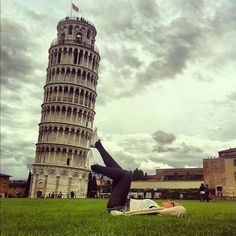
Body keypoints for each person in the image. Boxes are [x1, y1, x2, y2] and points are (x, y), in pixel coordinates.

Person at [90, 128, 186, 217]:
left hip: (119, 206)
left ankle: (94, 167)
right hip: (121, 202)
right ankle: (97, 145)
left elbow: (181, 210)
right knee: (120, 171)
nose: (169, 201)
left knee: (127, 175)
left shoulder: (157, 209)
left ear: (171, 208)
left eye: (172, 203)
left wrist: (167, 210)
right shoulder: (156, 207)